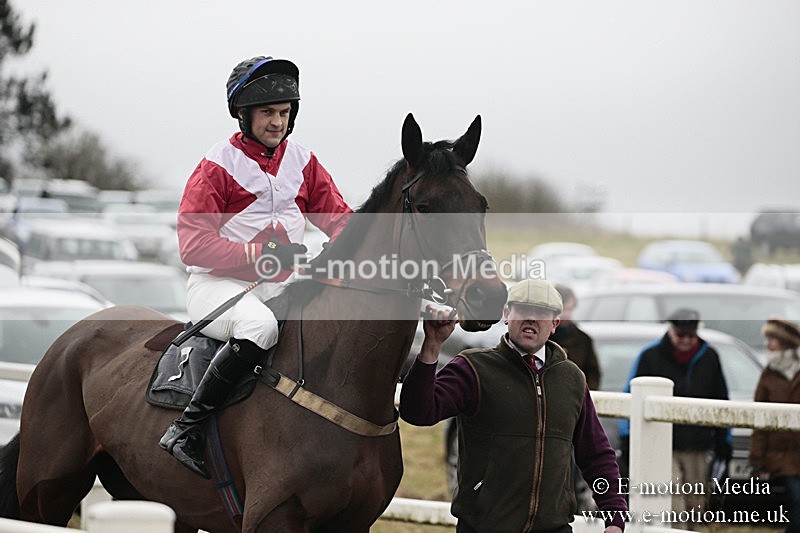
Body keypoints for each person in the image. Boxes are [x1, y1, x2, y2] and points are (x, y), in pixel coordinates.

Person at [159, 55, 352, 478]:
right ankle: (185, 430)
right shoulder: (216, 165)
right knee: (260, 328)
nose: (277, 122)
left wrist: (339, 250)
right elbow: (193, 245)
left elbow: (341, 219)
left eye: (284, 112)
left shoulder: (303, 162)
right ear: (243, 114)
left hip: (281, 285)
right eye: (267, 112)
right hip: (219, 287)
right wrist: (257, 256)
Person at [400, 279, 627, 533]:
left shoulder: (572, 379)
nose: (531, 318)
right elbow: (417, 412)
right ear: (507, 315)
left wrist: (615, 517)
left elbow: (596, 454)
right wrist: (432, 345)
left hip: (554, 528)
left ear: (555, 324)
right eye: (523, 309)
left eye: (541, 312)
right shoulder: (473, 368)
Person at [620, 308, 731, 529]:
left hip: (698, 445)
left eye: (691, 335)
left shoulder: (710, 357)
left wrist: (723, 440)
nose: (686, 340)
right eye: (681, 335)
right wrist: (627, 435)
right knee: (672, 504)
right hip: (661, 443)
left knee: (696, 507)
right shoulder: (650, 355)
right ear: (670, 330)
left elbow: (721, 398)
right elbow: (630, 395)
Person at [749, 317, 800, 533]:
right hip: (781, 457)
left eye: (773, 339)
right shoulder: (768, 375)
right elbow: (760, 419)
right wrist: (757, 458)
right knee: (797, 500)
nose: (768, 344)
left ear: (786, 342)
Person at [551, 284, 601, 390]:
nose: (566, 314)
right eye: (562, 310)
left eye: (569, 309)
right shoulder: (541, 339)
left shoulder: (583, 340)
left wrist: (583, 394)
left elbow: (593, 375)